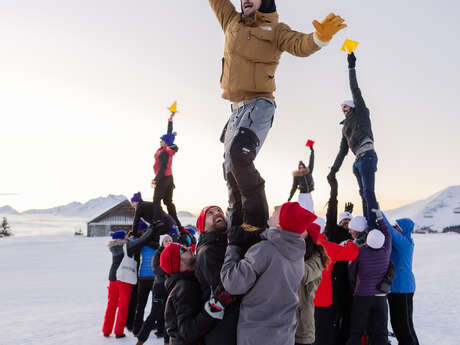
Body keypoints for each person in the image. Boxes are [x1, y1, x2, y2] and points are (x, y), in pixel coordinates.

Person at [209, 0, 346, 231]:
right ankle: (235, 231)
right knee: (230, 172)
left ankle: (256, 223)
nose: (246, 0)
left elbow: (300, 44)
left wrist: (320, 38)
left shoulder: (276, 30)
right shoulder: (231, 21)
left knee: (240, 155)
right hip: (235, 110)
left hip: (260, 103)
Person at [221, 202, 317, 345]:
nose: (275, 208)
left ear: (280, 223)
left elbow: (232, 283)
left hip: (257, 336)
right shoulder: (298, 256)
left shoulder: (265, 250)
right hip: (284, 336)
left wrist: (232, 246)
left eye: (280, 210)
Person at [328, 52, 379, 229]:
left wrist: (351, 66)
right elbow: (342, 151)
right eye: (342, 108)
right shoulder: (344, 128)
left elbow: (355, 89)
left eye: (346, 106)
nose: (343, 109)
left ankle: (374, 225)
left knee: (368, 192)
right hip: (357, 161)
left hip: (367, 156)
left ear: (354, 106)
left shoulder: (362, 114)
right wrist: (333, 170)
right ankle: (366, 225)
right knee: (363, 194)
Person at [305, 218, 359, 345]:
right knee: (322, 333)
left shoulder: (300, 245)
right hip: (323, 299)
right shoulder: (327, 247)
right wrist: (350, 243)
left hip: (303, 298)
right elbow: (352, 254)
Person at [161, 243, 226, 345]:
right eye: (182, 250)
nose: (190, 248)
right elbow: (187, 332)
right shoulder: (184, 288)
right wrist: (214, 307)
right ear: (177, 262)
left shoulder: (188, 281)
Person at [102, 225, 158, 339]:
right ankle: (118, 332)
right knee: (123, 306)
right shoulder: (127, 246)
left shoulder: (114, 247)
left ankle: (106, 330)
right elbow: (142, 241)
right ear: (123, 237)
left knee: (111, 304)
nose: (128, 236)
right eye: (126, 235)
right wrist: (150, 230)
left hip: (113, 278)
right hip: (124, 278)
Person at [195, 206, 239, 345]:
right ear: (204, 227)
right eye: (210, 213)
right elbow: (228, 287)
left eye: (219, 210)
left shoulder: (221, 244)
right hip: (222, 327)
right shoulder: (208, 251)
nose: (217, 213)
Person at [347, 209, 392, 345]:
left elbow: (351, 269)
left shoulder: (360, 252)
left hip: (362, 295)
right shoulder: (386, 251)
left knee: (357, 330)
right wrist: (380, 219)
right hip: (380, 297)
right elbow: (388, 235)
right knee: (380, 331)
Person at [324, 174, 355, 345]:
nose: (346, 223)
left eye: (349, 221)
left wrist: (348, 214)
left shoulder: (353, 234)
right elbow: (331, 217)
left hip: (349, 281)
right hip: (334, 279)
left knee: (348, 312)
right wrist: (334, 192)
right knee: (334, 313)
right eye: (343, 220)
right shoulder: (333, 233)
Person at [382, 215, 419, 345]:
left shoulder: (404, 242)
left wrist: (380, 215)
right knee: (406, 323)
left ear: (403, 229)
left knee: (400, 324)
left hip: (400, 287)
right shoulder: (405, 242)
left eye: (397, 226)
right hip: (404, 286)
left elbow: (391, 233)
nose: (394, 227)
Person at [136, 234, 173, 345]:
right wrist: (168, 271)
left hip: (171, 288)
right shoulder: (158, 254)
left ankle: (167, 342)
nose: (168, 242)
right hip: (160, 288)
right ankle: (141, 340)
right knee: (154, 315)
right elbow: (156, 269)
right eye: (166, 240)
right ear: (162, 243)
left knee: (169, 316)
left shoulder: (175, 253)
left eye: (170, 240)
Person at [295, 229, 329, 345]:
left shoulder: (317, 257)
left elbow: (304, 274)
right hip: (284, 323)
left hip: (302, 325)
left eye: (302, 230)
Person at [152, 112, 182, 227]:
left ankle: (156, 221)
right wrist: (170, 119)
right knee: (168, 202)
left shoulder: (164, 152)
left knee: (156, 201)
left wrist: (155, 179)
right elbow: (169, 134)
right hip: (169, 178)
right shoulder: (166, 148)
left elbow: (163, 168)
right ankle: (176, 223)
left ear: (165, 142)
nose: (160, 141)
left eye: (162, 140)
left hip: (163, 178)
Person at [132, 220, 158, 335]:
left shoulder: (140, 242)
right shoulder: (156, 241)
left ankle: (137, 329)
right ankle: (151, 325)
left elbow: (131, 243)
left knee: (140, 305)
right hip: (153, 276)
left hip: (143, 276)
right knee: (155, 304)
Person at [289, 144, 315, 212]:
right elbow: (294, 187)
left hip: (309, 195)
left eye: (302, 166)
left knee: (311, 212)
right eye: (299, 167)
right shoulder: (297, 176)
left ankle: (313, 222)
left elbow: (311, 160)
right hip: (302, 195)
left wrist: (312, 150)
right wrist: (290, 197)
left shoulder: (309, 171)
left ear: (304, 166)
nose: (301, 168)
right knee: (303, 212)